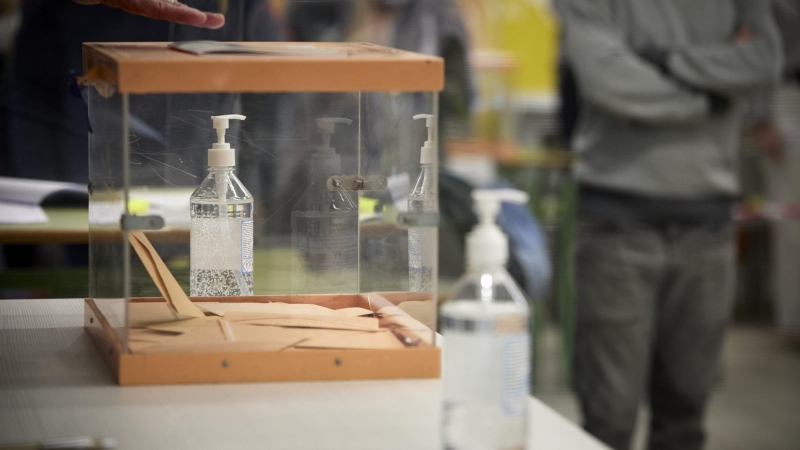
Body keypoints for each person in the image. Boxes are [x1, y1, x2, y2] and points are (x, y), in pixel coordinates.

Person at [559, 0, 783, 449]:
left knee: (684, 420)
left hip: (709, 226)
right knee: (608, 421)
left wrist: (663, 61)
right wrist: (712, 94)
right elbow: (609, 83)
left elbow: (763, 61)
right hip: (616, 223)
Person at [750, 0, 800, 341]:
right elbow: (757, 47)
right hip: (786, 98)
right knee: (792, 226)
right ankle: (793, 321)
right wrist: (761, 118)